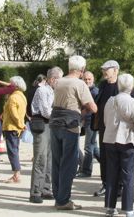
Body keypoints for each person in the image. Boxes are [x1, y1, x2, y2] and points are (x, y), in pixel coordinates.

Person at [50, 55, 97, 210]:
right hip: (70, 126)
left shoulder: (59, 82)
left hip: (55, 124)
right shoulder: (79, 84)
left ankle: (58, 197)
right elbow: (93, 107)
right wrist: (83, 110)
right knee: (69, 163)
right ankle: (64, 200)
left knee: (57, 162)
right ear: (82, 70)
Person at [92, 60, 134, 197]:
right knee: (104, 157)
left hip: (119, 129)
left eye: (106, 69)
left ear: (115, 70)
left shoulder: (122, 86)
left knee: (117, 159)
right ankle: (106, 184)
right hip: (104, 127)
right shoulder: (102, 85)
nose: (104, 72)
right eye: (103, 69)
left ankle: (118, 186)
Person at [103, 73, 134, 217]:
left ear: (118, 85)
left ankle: (110, 207)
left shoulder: (110, 101)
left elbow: (105, 121)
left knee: (111, 173)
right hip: (127, 140)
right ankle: (128, 208)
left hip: (110, 139)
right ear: (132, 86)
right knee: (128, 175)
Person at [29, 67, 62, 204]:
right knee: (41, 158)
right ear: (53, 79)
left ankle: (46, 189)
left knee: (49, 159)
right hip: (42, 125)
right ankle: (35, 191)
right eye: (59, 79)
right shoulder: (42, 90)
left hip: (51, 125)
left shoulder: (52, 91)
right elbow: (45, 111)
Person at [1, 76, 28, 184]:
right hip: (17, 128)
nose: (9, 85)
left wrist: (20, 124)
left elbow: (14, 114)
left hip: (11, 127)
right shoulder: (22, 96)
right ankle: (16, 174)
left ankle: (16, 174)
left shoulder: (13, 98)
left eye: (10, 84)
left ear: (15, 86)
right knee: (15, 149)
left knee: (12, 151)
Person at [78, 71, 100, 178]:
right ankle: (107, 164)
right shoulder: (84, 90)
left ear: (93, 79)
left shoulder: (95, 92)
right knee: (94, 148)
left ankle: (86, 171)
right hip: (86, 121)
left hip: (92, 122)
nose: (87, 81)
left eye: (89, 79)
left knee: (88, 148)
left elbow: (92, 109)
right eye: (85, 79)